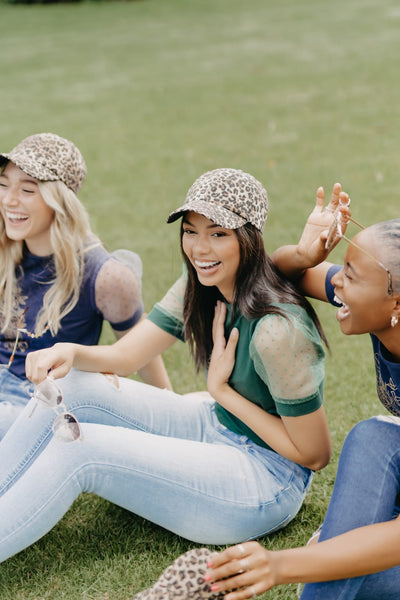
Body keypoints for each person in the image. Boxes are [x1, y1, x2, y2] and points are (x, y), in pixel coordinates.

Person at [0, 168, 331, 563]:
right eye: (190, 231)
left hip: (266, 479)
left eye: (218, 233)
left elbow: (313, 455)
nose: (200, 248)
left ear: (249, 238)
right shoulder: (203, 282)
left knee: (79, 450)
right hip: (215, 423)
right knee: (67, 388)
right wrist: (71, 352)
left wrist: (222, 392)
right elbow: (127, 356)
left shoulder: (277, 333)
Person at [197, 192, 400, 599]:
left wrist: (279, 564)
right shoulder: (368, 297)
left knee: (345, 569)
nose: (337, 280)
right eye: (343, 267)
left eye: (352, 277)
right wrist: (306, 253)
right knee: (373, 435)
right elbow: (277, 273)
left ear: (396, 303)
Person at [0, 132, 171, 439]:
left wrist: (172, 413)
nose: (9, 200)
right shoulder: (5, 251)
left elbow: (139, 352)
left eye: (27, 189)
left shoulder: (105, 277)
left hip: (38, 403)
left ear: (59, 201)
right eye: (3, 185)